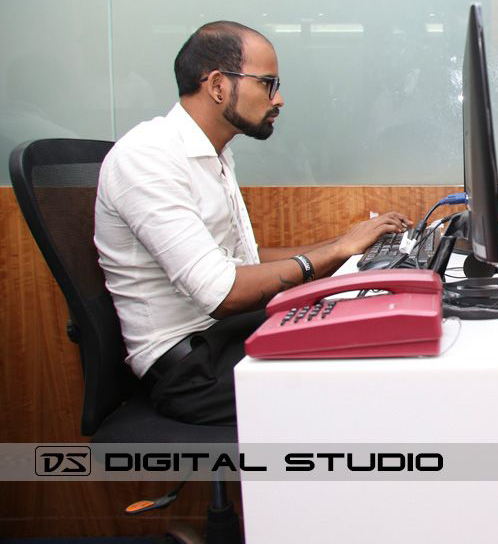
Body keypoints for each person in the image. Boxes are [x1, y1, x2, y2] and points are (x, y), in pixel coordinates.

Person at [95, 21, 409, 426]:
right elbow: (222, 292)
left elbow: (245, 261)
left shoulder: (213, 155)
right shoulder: (148, 157)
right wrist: (334, 253)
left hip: (227, 336)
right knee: (370, 375)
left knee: (378, 330)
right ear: (218, 85)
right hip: (192, 370)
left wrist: (346, 244)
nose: (278, 99)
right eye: (267, 83)